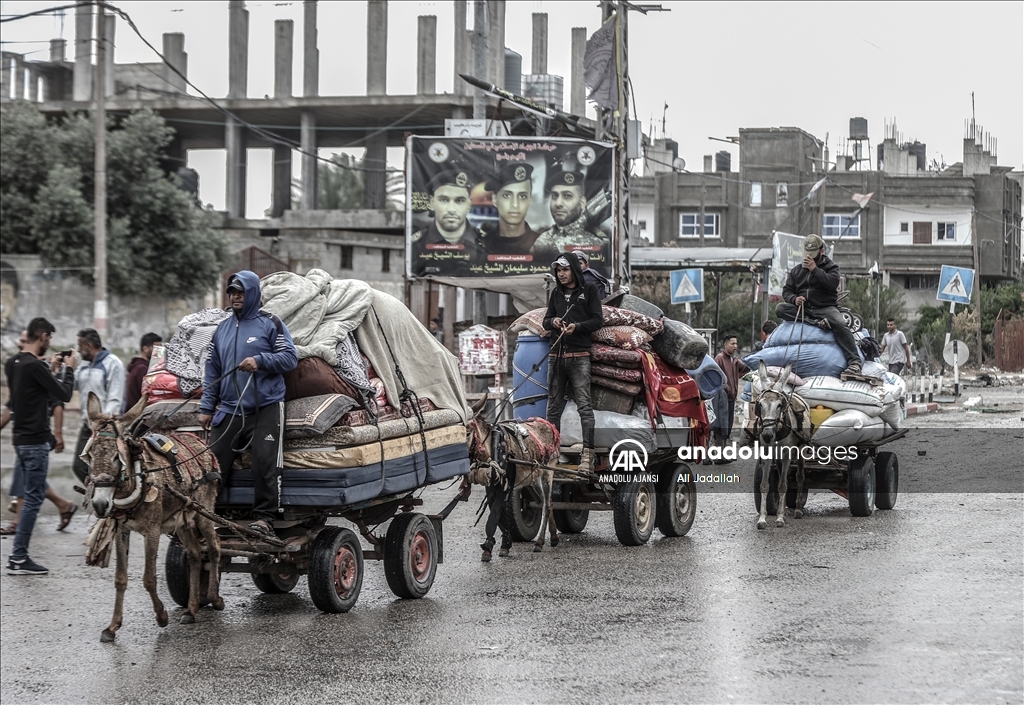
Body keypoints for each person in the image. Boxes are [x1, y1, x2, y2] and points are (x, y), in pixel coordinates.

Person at [200, 271, 298, 537]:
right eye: (232, 292)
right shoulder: (221, 328)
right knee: (212, 464)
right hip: (230, 409)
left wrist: (261, 361)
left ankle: (265, 518)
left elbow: (290, 358)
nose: (235, 297)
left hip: (266, 407)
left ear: (253, 293)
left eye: (241, 292)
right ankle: (208, 515)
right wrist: (207, 408)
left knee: (265, 463)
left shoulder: (271, 323)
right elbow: (213, 369)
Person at [6, 317, 75, 575]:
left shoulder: (13, 363)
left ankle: (18, 556)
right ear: (44, 336)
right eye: (50, 339)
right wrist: (69, 369)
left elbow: (32, 392)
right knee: (34, 499)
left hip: (20, 440)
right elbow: (64, 395)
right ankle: (19, 557)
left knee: (31, 493)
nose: (49, 344)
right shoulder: (36, 367)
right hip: (35, 442)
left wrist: (52, 369)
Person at [542, 254, 604, 474]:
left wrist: (577, 327)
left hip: (579, 357)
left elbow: (598, 320)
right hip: (556, 356)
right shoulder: (556, 293)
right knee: (553, 408)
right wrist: (554, 322)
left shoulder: (589, 290)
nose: (561, 274)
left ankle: (588, 456)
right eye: (558, 270)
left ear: (575, 271)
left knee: (585, 407)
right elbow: (545, 320)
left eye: (565, 270)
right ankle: (553, 454)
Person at [775, 234, 861, 376]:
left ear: (822, 250)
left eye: (814, 254)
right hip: (805, 309)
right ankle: (816, 323)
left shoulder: (831, 267)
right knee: (780, 308)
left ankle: (855, 362)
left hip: (825, 308)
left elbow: (832, 284)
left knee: (840, 323)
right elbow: (787, 291)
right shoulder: (797, 270)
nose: (811, 258)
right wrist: (794, 299)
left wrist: (815, 270)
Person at [71, 328, 126, 484]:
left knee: (108, 466)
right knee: (80, 466)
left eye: (80, 346)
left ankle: (111, 500)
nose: (79, 350)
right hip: (88, 425)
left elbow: (115, 397)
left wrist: (105, 427)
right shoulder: (83, 365)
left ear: (88, 345)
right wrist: (63, 369)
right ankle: (98, 497)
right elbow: (73, 384)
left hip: (105, 427)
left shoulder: (112, 363)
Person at [411, 168, 483, 276]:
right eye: (444, 200)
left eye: (459, 201)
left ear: (469, 204)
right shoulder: (415, 245)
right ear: (431, 203)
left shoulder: (486, 244)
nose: (451, 209)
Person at [534, 171, 606, 259]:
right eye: (554, 196)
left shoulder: (598, 241)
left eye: (567, 196)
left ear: (582, 203)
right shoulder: (542, 241)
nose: (558, 203)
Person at [482, 163, 542, 256]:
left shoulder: (543, 245)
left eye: (522, 196)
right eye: (507, 195)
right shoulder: (481, 245)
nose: (515, 204)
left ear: (530, 201)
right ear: (494, 199)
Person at [712, 335, 750, 462]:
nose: (735, 346)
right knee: (720, 426)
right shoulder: (719, 358)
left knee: (727, 427)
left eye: (736, 343)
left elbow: (745, 368)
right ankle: (718, 456)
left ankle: (722, 454)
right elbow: (715, 376)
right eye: (732, 343)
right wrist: (726, 388)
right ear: (725, 345)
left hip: (731, 399)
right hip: (721, 398)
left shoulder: (734, 360)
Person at [123, 332, 162, 412]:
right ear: (145, 349)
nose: (159, 353)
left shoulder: (138, 367)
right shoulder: (142, 369)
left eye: (160, 349)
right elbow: (147, 397)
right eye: (156, 349)